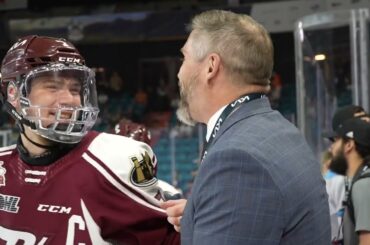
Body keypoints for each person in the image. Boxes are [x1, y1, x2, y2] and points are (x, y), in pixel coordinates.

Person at [162, 10, 331, 244]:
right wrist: (198, 215)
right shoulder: (280, 130)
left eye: (184, 58)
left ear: (211, 66)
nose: (179, 73)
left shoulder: (237, 161)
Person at [0, 35, 180, 244]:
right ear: (14, 93)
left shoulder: (112, 162)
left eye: (75, 89)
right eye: (52, 86)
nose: (69, 99)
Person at [322, 105, 369, 243]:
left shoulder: (363, 185)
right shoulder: (358, 181)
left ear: (349, 145)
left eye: (337, 141)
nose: (332, 147)